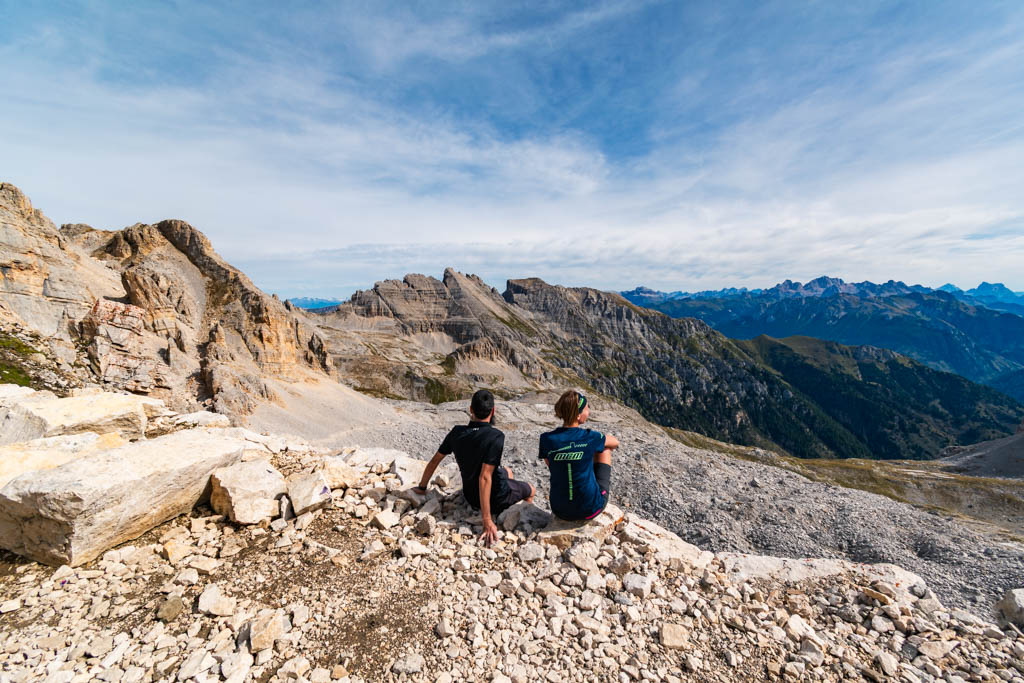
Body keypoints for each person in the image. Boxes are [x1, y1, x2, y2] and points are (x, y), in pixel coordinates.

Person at [413, 389, 535, 545]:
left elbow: (434, 461)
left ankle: (509, 492)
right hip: (496, 499)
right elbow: (485, 477)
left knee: (507, 472)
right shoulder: (496, 436)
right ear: (493, 411)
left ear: (471, 409)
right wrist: (487, 520)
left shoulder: (457, 432)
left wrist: (422, 487)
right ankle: (524, 518)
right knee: (531, 489)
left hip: (470, 495)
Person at [539, 390, 619, 521]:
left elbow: (550, 464)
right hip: (590, 509)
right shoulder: (590, 437)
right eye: (587, 408)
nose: (589, 412)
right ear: (577, 415)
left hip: (560, 510)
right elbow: (615, 442)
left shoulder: (546, 439)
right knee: (604, 449)